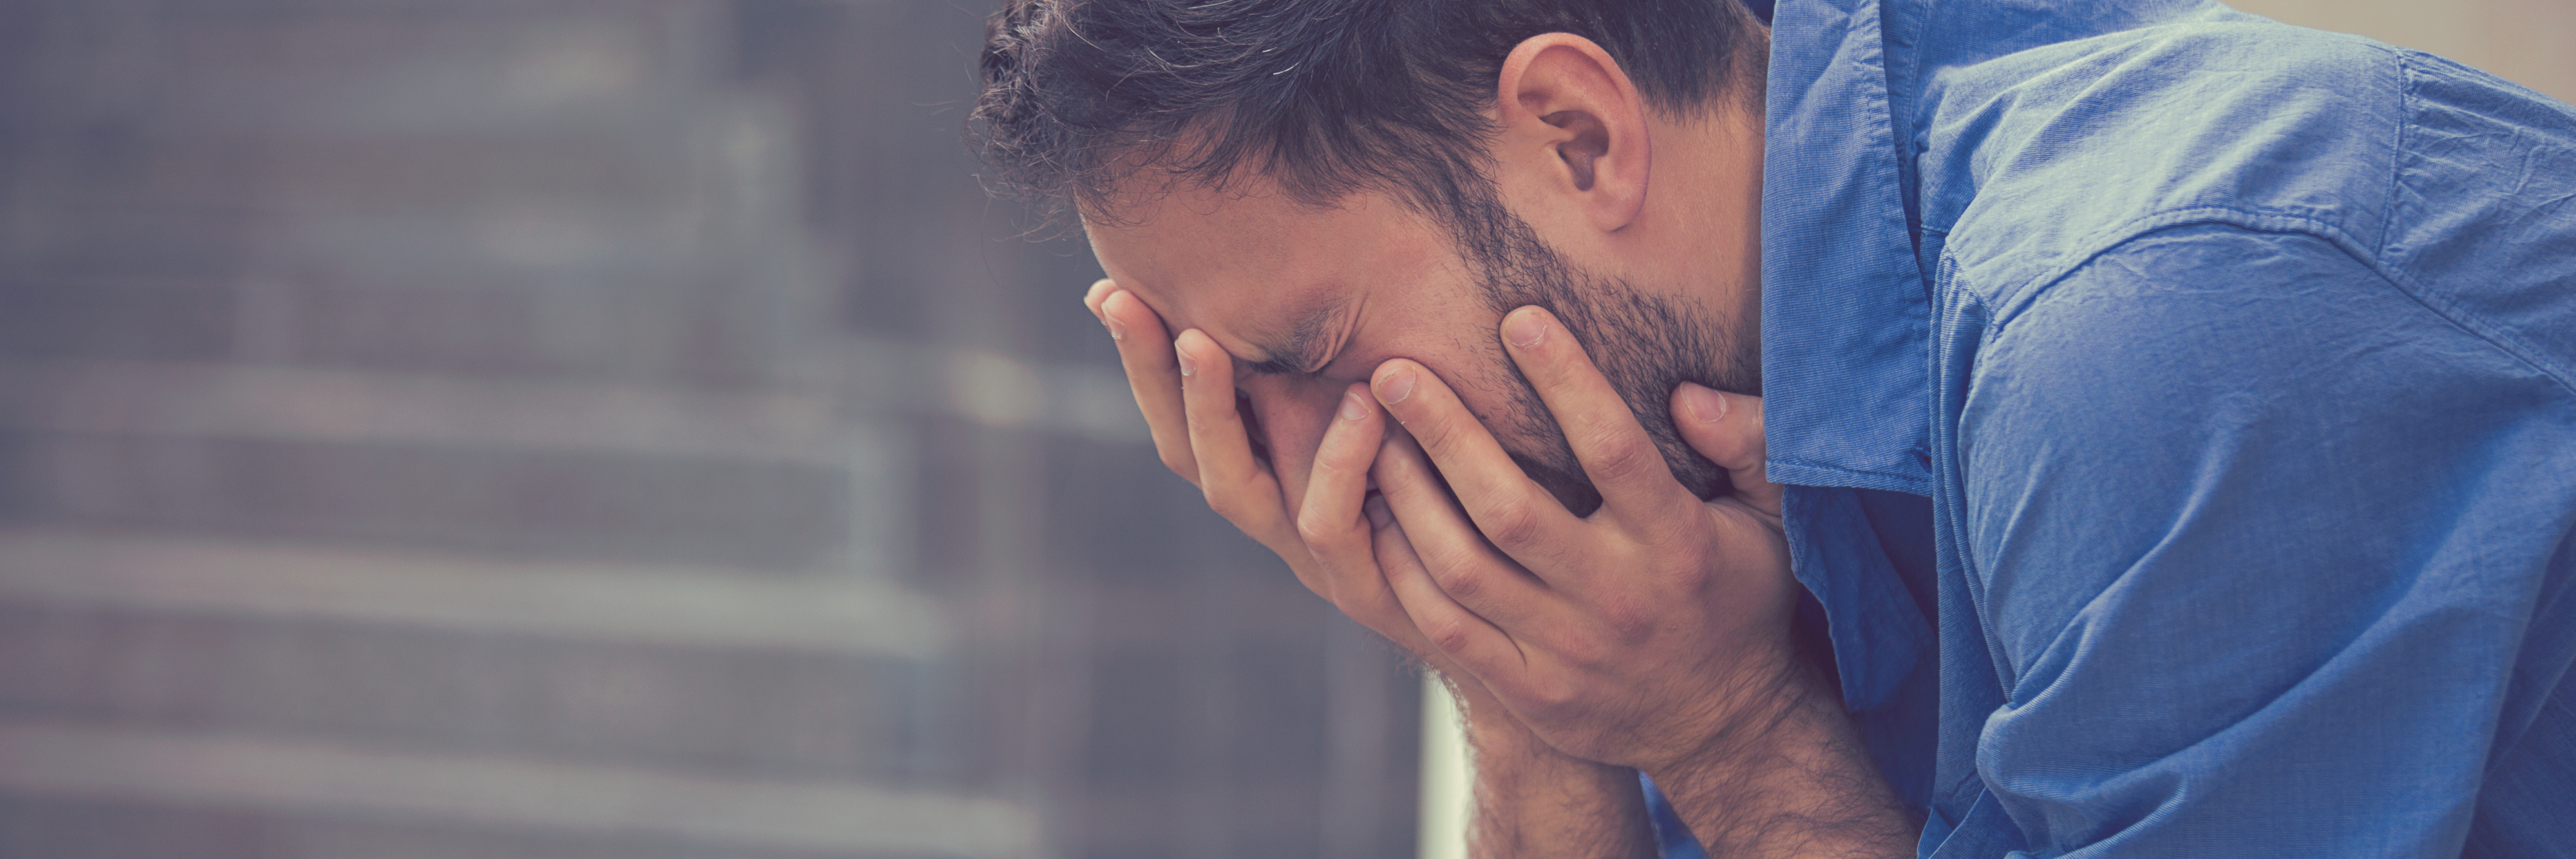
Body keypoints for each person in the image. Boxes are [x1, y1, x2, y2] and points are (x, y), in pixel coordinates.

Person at [973, 0, 2576, 855]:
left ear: (1576, 132)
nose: (1326, 475)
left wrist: (1727, 731)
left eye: (1311, 353)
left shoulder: (2157, 329)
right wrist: (1516, 680)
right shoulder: (1707, 448)